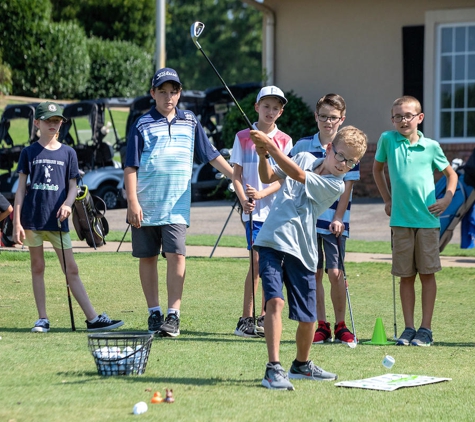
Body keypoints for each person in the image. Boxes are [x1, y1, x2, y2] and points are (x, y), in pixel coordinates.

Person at [251, 125, 367, 390]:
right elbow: (269, 176)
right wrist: (262, 155)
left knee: (308, 318)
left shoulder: (334, 185)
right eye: (341, 156)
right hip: (271, 241)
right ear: (329, 149)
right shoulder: (303, 156)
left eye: (351, 162)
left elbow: (298, 175)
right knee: (275, 303)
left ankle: (301, 365)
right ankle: (273, 369)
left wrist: (271, 147)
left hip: (302, 250)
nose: (343, 164)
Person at [124, 68, 233, 337]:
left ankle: (173, 315)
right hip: (146, 205)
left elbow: (210, 154)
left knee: (177, 255)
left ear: (180, 93)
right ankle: (154, 313)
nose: (168, 96)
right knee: (147, 258)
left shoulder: (191, 121)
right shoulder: (141, 124)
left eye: (173, 91)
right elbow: (130, 167)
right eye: (162, 91)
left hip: (176, 206)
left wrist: (235, 177)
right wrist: (132, 202)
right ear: (153, 94)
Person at [12, 101, 124, 333]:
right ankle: (42, 319)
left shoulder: (68, 153)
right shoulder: (28, 152)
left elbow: (73, 186)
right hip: (33, 219)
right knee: (37, 267)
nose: (53, 125)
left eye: (57, 121)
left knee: (71, 269)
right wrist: (16, 222)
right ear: (37, 124)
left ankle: (92, 319)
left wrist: (67, 205)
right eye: (48, 121)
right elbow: (21, 190)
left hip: (58, 221)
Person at [373, 95, 457, 347]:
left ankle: (425, 329)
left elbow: (450, 175)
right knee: (405, 275)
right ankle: (408, 329)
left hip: (428, 221)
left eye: (408, 115)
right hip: (400, 221)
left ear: (419, 118)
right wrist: (387, 199)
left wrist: (446, 200)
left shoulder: (431, 146)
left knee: (427, 274)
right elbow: (377, 170)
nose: (402, 120)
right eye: (397, 116)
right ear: (392, 119)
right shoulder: (387, 140)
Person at [289, 93, 358, 345]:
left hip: (333, 222)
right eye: (324, 117)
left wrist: (339, 217)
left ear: (342, 119)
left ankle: (341, 325)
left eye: (333, 118)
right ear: (316, 117)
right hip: (307, 221)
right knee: (314, 272)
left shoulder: (349, 147)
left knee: (335, 272)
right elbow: (291, 177)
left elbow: (347, 188)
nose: (328, 122)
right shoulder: (302, 145)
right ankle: (322, 325)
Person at [230, 86, 293, 338]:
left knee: (272, 265)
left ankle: (266, 317)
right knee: (256, 263)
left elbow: (284, 178)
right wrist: (244, 199)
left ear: (281, 111)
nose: (270, 111)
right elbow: (236, 175)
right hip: (252, 213)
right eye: (266, 106)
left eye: (276, 107)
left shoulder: (285, 141)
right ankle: (245, 319)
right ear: (257, 107)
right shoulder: (243, 136)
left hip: (276, 212)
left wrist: (262, 194)